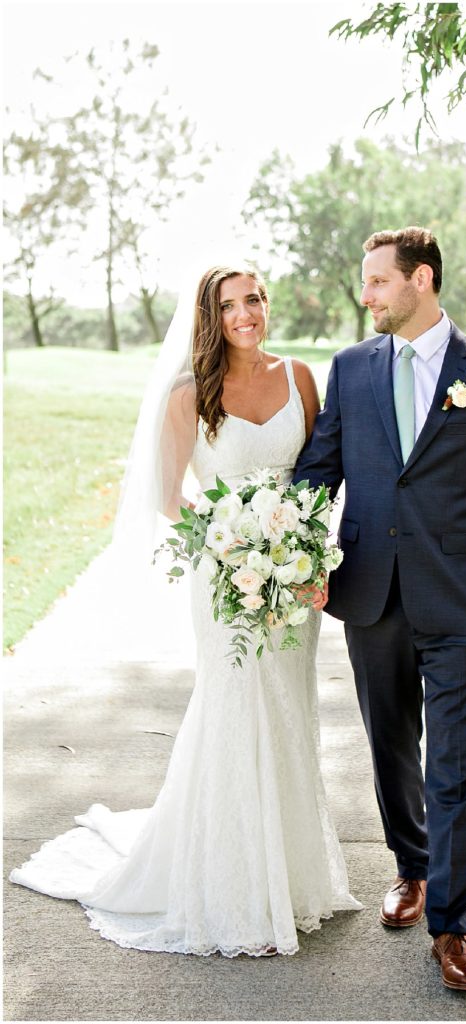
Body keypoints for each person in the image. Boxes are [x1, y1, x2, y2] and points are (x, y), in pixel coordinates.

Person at [10, 264, 361, 957]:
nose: (243, 314)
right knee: (237, 709)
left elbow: (319, 477)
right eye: (228, 305)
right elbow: (170, 498)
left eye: (252, 299)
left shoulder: (299, 378)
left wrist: (305, 556)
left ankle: (291, 878)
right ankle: (233, 888)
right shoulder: (187, 393)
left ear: (267, 303)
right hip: (227, 573)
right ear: (211, 315)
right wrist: (239, 546)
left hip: (289, 577)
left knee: (288, 713)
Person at [294, 226, 466, 991]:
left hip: (465, 602)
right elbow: (319, 470)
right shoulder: (351, 367)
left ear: (420, 280)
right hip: (369, 593)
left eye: (375, 282)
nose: (364, 296)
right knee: (391, 748)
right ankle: (412, 867)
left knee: (460, 764)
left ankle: (453, 923)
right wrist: (294, 551)